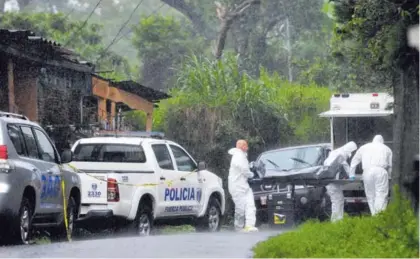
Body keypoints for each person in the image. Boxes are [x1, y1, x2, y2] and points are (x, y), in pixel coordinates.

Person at [350, 135, 392, 216]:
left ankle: (374, 215)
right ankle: (379, 216)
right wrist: (390, 176)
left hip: (367, 172)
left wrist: (352, 175)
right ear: (382, 141)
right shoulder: (386, 148)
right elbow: (390, 165)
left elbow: (354, 161)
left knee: (370, 196)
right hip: (381, 171)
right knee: (381, 194)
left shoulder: (364, 147)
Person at [228, 139, 258, 232]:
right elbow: (244, 170)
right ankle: (239, 227)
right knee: (240, 208)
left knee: (250, 205)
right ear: (242, 146)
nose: (247, 147)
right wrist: (252, 175)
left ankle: (249, 225)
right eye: (245, 145)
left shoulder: (241, 156)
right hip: (237, 186)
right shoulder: (238, 155)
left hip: (244, 185)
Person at [324, 141, 358, 222]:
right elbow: (345, 165)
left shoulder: (336, 152)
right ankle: (336, 221)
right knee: (337, 200)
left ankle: (337, 219)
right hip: (331, 181)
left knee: (338, 200)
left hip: (329, 180)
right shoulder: (341, 154)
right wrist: (351, 175)